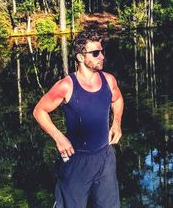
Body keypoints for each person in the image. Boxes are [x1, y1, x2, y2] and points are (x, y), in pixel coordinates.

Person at [33, 30, 124, 208]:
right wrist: (59, 138)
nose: (102, 56)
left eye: (102, 51)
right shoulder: (67, 86)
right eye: (95, 53)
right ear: (81, 57)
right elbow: (39, 111)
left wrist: (117, 123)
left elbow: (118, 99)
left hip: (105, 158)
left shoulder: (109, 80)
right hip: (76, 161)